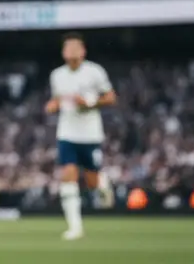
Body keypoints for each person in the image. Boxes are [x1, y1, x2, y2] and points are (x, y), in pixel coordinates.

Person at [45, 32, 117, 240]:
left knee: (92, 180)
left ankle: (102, 184)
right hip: (67, 133)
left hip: (90, 134)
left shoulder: (94, 72)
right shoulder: (57, 75)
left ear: (83, 51)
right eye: (67, 48)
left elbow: (111, 97)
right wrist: (52, 106)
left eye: (75, 48)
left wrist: (90, 103)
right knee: (68, 175)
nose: (71, 52)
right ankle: (75, 226)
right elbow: (57, 100)